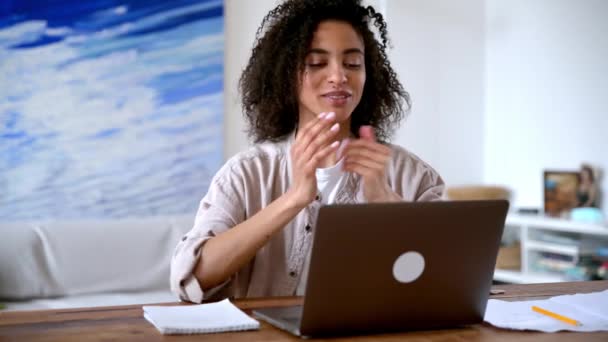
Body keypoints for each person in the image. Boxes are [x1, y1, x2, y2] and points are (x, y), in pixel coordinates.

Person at [170, 0, 444, 303]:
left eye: (353, 64)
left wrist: (386, 202)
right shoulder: (247, 172)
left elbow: (452, 280)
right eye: (316, 63)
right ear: (286, 75)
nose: (339, 76)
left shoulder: (414, 175)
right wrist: (295, 198)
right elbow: (191, 277)